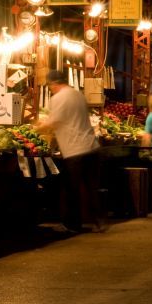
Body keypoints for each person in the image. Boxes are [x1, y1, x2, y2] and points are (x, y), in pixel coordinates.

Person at [36, 70, 103, 233]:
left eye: (50, 85)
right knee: (91, 187)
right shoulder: (78, 94)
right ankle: (98, 221)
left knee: (71, 189)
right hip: (91, 146)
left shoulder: (58, 98)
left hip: (74, 149)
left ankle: (72, 225)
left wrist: (38, 127)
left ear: (53, 84)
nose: (50, 89)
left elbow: (55, 121)